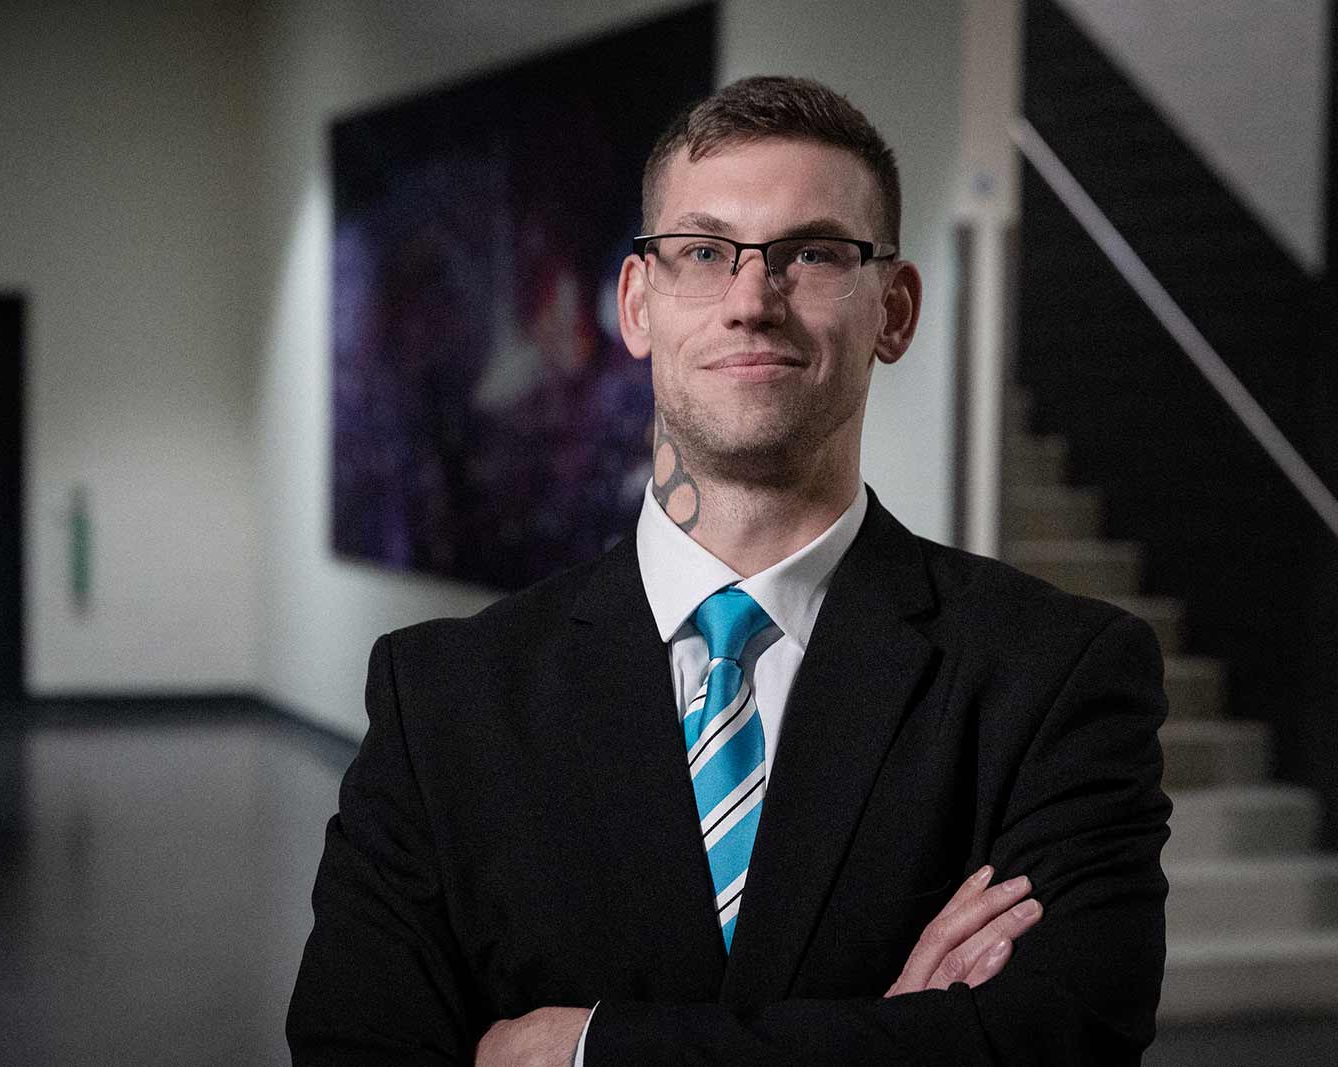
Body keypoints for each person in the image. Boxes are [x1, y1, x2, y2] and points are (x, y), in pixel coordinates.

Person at [287, 75, 1170, 1065]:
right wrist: (901, 1038)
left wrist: (587, 1050)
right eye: (703, 252)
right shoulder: (442, 699)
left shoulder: (1052, 677)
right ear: (636, 305)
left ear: (894, 310)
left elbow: (1065, 1041)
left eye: (813, 254)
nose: (752, 301)